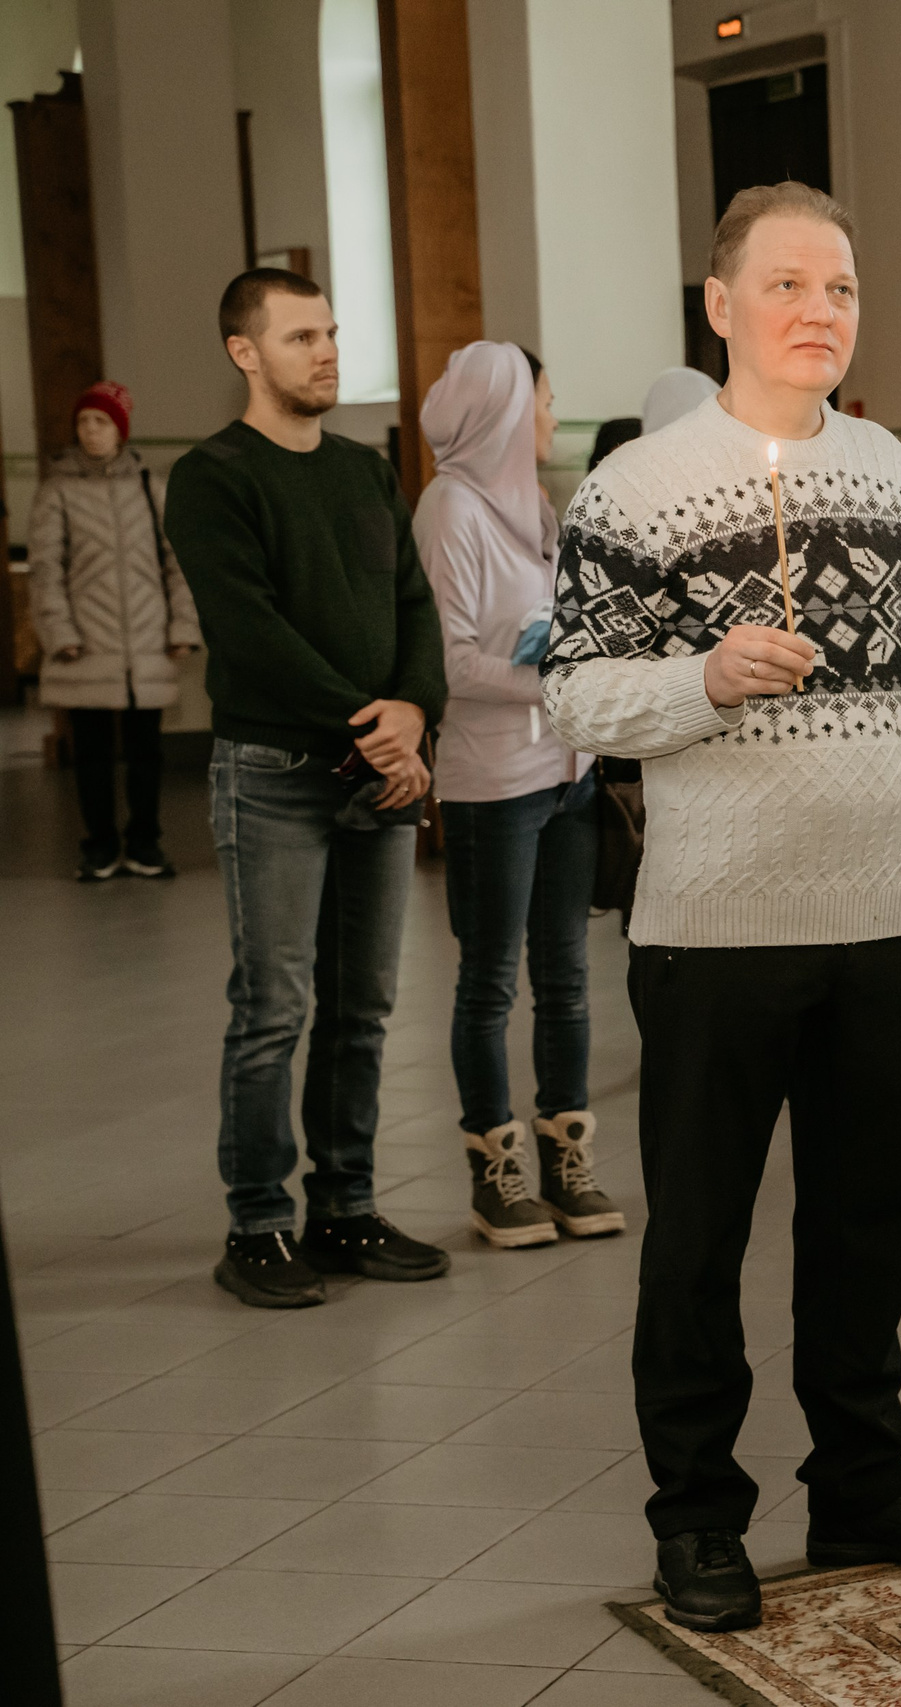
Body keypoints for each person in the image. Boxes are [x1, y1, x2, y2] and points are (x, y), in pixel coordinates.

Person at [543, 181, 901, 1634]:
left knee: (871, 1213)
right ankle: (697, 1512)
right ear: (722, 301)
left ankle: (863, 1476)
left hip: (881, 909)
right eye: (793, 285)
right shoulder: (637, 486)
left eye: (843, 290)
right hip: (718, 922)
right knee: (700, 1227)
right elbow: (573, 692)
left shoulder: (889, 473)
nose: (822, 311)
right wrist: (702, 678)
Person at [164, 269, 452, 1310]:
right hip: (277, 774)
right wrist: (372, 728)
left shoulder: (364, 474)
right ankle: (258, 1226)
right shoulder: (212, 477)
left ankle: (344, 1208)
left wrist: (415, 708)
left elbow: (415, 604)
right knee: (273, 1008)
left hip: (377, 768)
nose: (326, 353)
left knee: (363, 1008)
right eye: (301, 338)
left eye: (330, 334)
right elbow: (249, 633)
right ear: (246, 352)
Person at [416, 340, 622, 1251]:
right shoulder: (450, 510)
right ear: (503, 411)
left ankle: (567, 1162)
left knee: (568, 981)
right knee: (491, 982)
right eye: (542, 400)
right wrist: (560, 680)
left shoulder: (533, 503)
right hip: (493, 781)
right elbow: (450, 661)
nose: (551, 417)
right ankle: (495, 1172)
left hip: (566, 776)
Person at [28, 381, 200, 881]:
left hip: (147, 644)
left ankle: (145, 844)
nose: (90, 431)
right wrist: (59, 633)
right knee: (93, 755)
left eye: (100, 422)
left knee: (147, 752)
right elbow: (46, 569)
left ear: (120, 430)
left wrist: (182, 625)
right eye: (83, 422)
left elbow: (178, 563)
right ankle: (100, 847)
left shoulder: (150, 486)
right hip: (85, 648)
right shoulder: (57, 489)